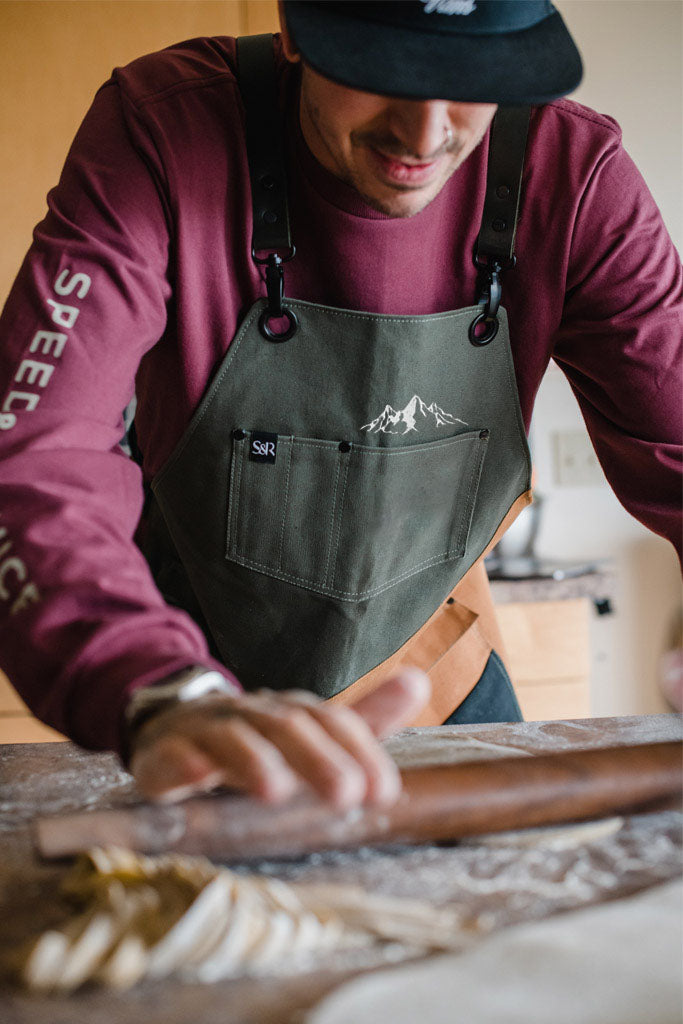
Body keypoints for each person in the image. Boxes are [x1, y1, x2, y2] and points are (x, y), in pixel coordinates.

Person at [0, 1, 680, 808]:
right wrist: (152, 685)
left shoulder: (573, 171)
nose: (424, 136)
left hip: (431, 683)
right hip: (196, 695)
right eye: (382, 70)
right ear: (294, 29)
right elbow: (37, 451)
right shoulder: (162, 130)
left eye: (470, 79)